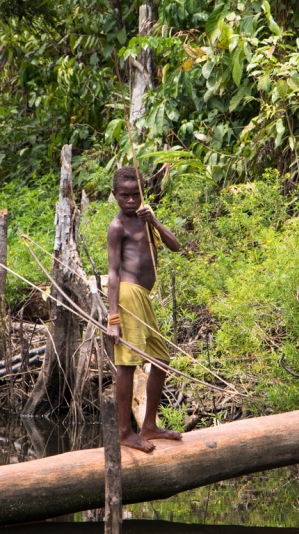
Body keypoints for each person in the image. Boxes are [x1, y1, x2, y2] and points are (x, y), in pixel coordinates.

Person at [106, 166, 182, 452]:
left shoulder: (144, 218)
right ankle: (124, 432)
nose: (130, 200)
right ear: (115, 196)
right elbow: (113, 273)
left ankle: (149, 426)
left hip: (144, 298)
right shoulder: (118, 227)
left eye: (136, 194)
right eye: (124, 195)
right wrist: (113, 319)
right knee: (126, 363)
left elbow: (176, 246)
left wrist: (155, 220)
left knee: (161, 359)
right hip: (128, 295)